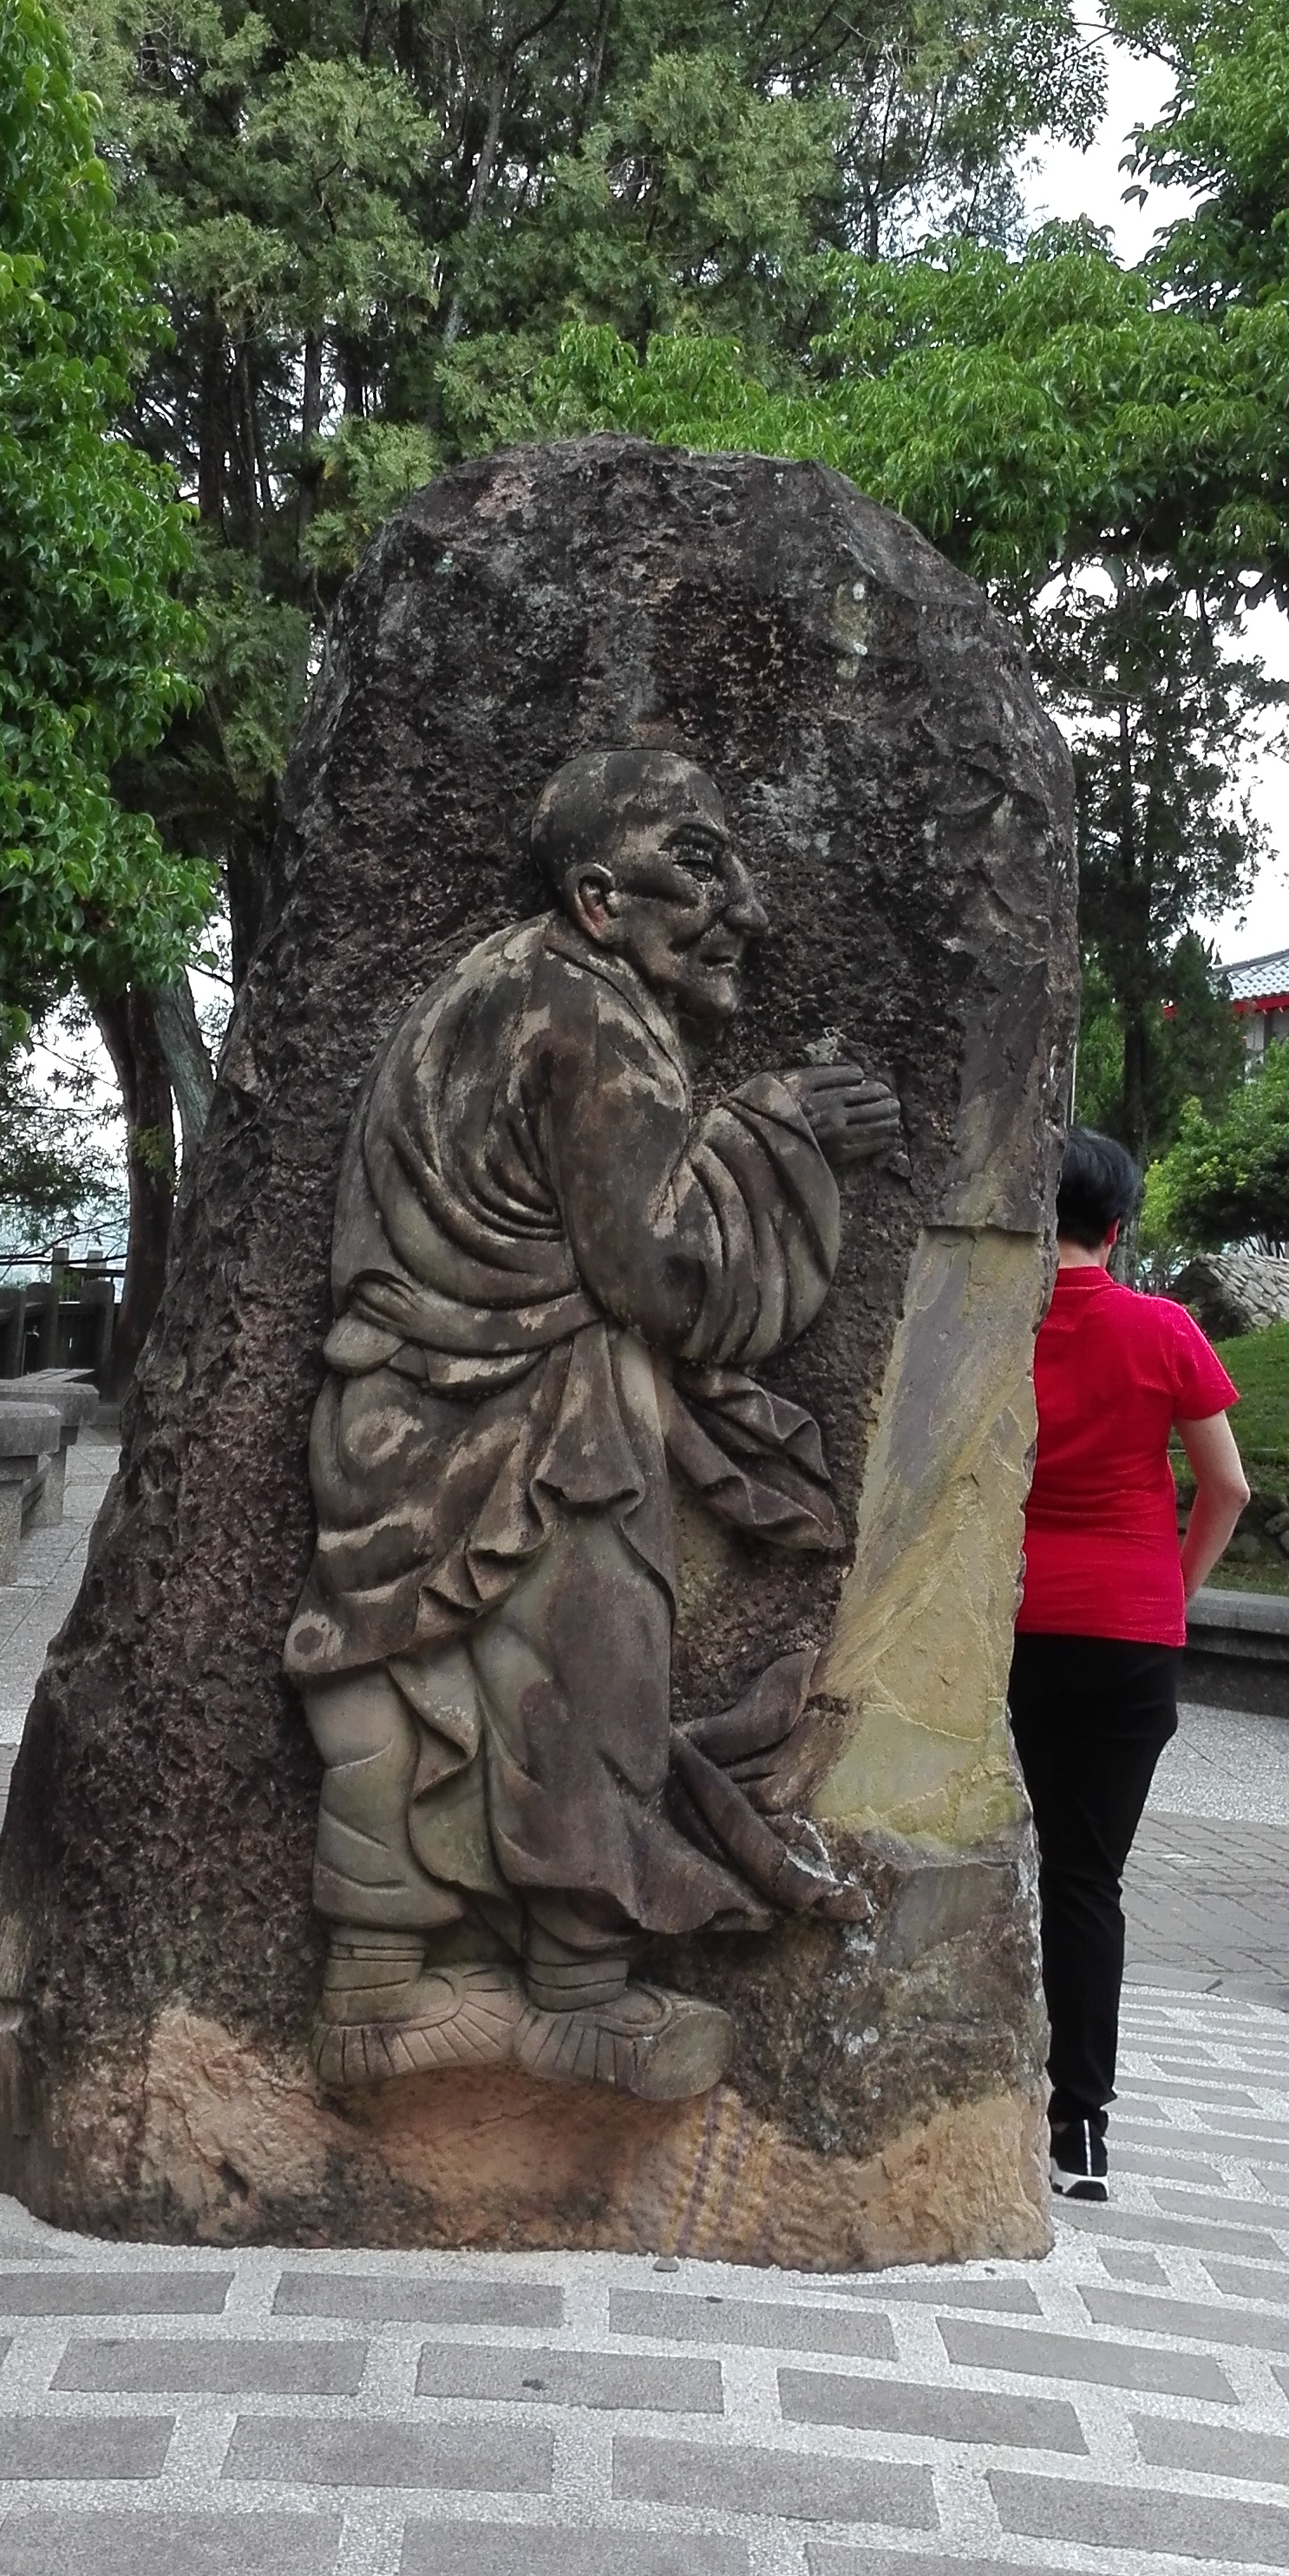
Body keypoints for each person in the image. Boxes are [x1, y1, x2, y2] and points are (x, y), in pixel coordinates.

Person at [284, 744, 900, 2102]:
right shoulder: (588, 1014)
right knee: (586, 1680)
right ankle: (556, 1993)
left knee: (420, 1673)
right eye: (701, 861)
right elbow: (664, 1271)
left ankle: (395, 1984)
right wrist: (786, 1131)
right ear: (598, 899)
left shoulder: (487, 987)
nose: (747, 908)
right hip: (532, 1431)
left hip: (400, 1410)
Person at [1011, 1129, 1251, 2204]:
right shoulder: (1160, 1327)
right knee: (1083, 1873)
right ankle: (1080, 2127)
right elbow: (1227, 1486)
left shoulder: (993, 1319)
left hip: (1001, 1621)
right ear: (1116, 1224)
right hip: (1126, 1632)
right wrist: (1172, 1585)